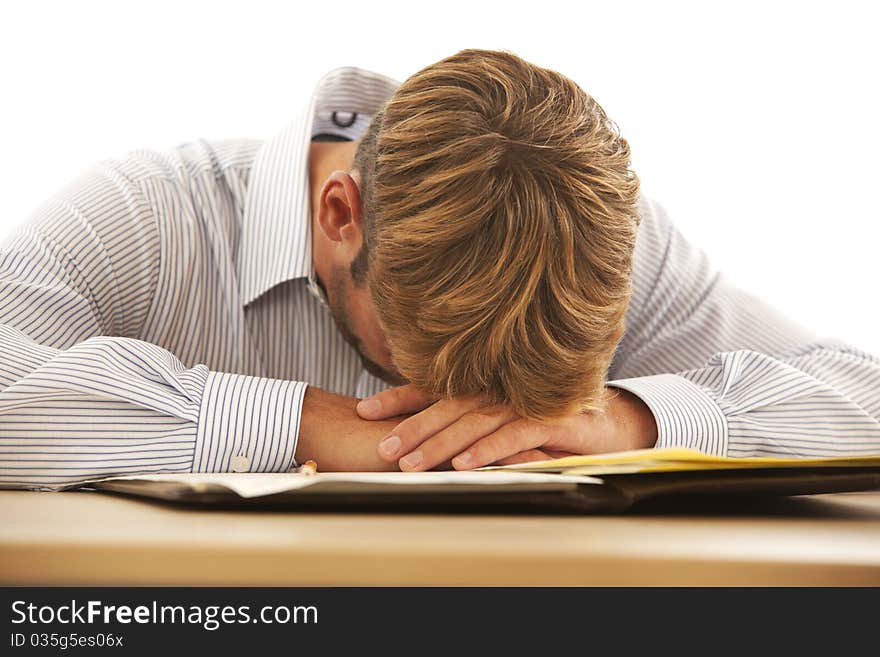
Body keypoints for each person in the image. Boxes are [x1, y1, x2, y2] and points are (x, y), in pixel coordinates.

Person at [1, 49, 878, 491]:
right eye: (429, 380)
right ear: (340, 216)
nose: (458, 432)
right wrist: (298, 426)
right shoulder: (149, 216)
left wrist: (633, 419)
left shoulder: (597, 243)